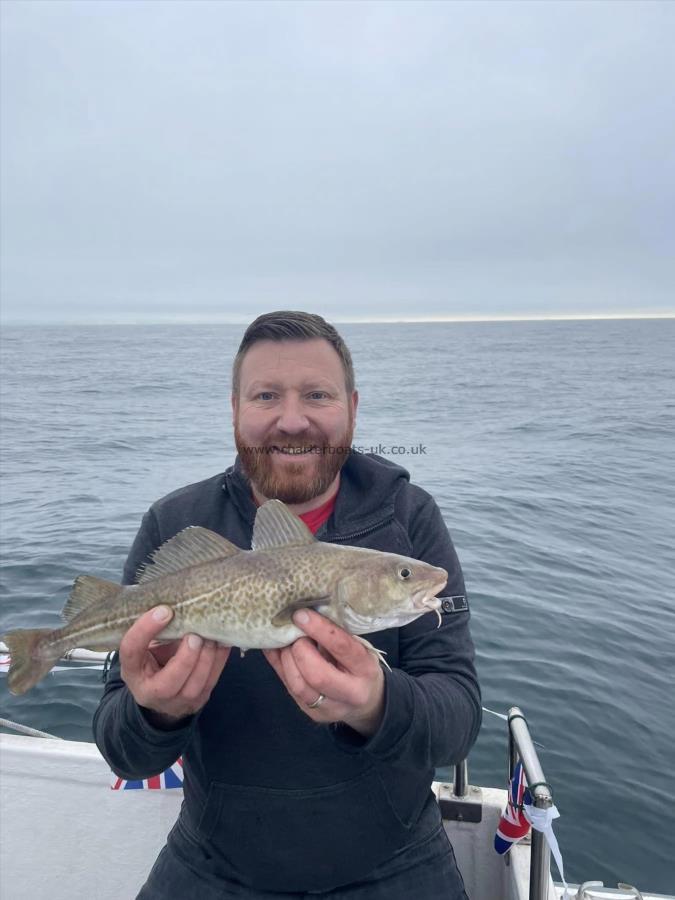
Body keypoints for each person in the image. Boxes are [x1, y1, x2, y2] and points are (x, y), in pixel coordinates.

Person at [93, 311, 481, 899]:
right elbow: (121, 751)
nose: (292, 419)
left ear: (352, 407)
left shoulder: (411, 519)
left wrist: (378, 703)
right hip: (215, 860)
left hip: (395, 857)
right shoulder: (174, 524)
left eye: (317, 395)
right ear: (234, 410)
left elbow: (458, 721)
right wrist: (157, 711)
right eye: (266, 395)